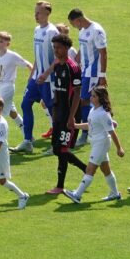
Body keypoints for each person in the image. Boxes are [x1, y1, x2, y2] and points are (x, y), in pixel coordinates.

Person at [63, 85, 124, 203]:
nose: (91, 98)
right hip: (96, 143)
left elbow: (112, 132)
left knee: (90, 170)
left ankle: (77, 195)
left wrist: (119, 148)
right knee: (106, 170)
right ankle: (115, 194)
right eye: (91, 95)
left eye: (94, 96)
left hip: (101, 143)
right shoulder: (93, 110)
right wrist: (76, 126)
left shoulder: (103, 113)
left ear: (100, 98)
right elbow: (89, 125)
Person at [44, 35, 85, 195]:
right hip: (59, 112)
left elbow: (76, 94)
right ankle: (61, 186)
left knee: (61, 149)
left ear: (67, 48)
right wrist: (54, 110)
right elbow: (59, 90)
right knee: (57, 149)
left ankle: (85, 169)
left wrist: (71, 117)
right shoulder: (58, 66)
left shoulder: (72, 67)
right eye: (54, 47)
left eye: (58, 47)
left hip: (70, 114)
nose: (56, 50)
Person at [20, 0, 57, 151]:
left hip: (48, 80)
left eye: (39, 13)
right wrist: (33, 73)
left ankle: (57, 143)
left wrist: (46, 73)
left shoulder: (52, 32)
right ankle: (28, 141)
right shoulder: (37, 30)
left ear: (47, 14)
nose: (36, 15)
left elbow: (59, 57)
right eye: (35, 12)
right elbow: (37, 55)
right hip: (36, 78)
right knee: (25, 104)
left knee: (52, 109)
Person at [69, 8, 107, 141]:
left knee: (85, 100)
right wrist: (76, 61)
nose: (75, 27)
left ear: (79, 20)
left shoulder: (96, 30)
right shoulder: (83, 31)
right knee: (86, 100)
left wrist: (102, 75)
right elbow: (82, 47)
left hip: (93, 72)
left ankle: (87, 133)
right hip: (84, 71)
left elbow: (103, 52)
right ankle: (97, 127)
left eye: (74, 24)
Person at [0, 31, 33, 143]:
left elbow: (29, 65)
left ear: (7, 43)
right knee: (13, 113)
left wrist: (32, 79)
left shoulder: (13, 56)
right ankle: (28, 136)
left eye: (1, 41)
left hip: (8, 87)